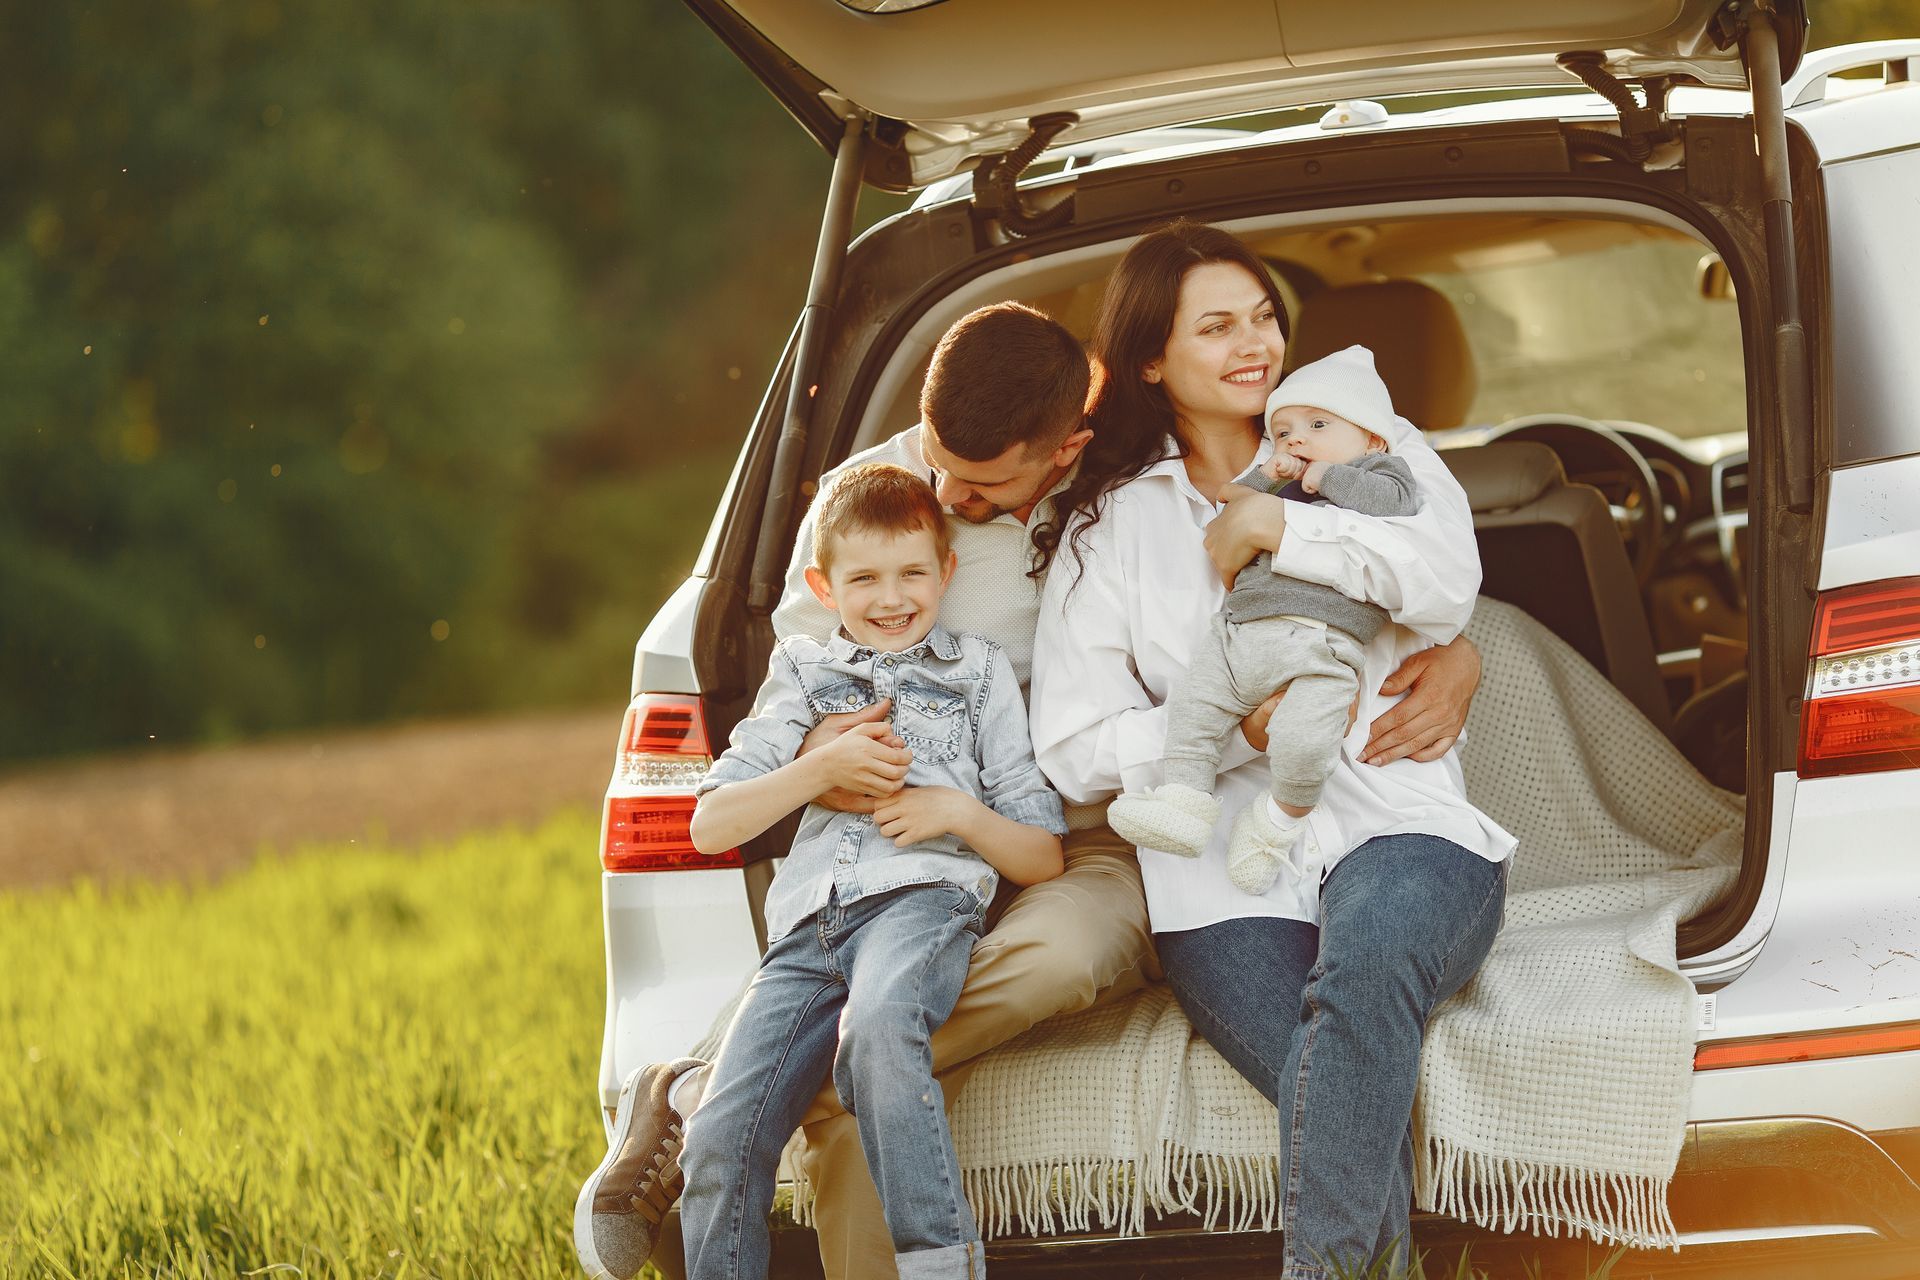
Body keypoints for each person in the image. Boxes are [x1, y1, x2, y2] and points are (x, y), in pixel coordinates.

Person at [574, 300, 1484, 1280]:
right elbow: (802, 683)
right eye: (939, 461)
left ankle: (770, 1084)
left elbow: (1321, 585)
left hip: (1072, 839)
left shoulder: (1129, 502)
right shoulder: (862, 502)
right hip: (905, 831)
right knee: (862, 1054)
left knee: (1065, 955)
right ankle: (779, 1080)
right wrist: (832, 740)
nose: (949, 494)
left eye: (983, 483)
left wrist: (1458, 646)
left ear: (1065, 450)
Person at [1029, 220, 1515, 1279]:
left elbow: (1445, 584)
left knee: (1364, 975)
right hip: (1219, 882)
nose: (1254, 342)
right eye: (1217, 326)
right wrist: (1228, 727)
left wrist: (1280, 529)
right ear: (1152, 359)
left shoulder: (1373, 443)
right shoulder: (1106, 529)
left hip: (1402, 823)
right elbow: (1070, 747)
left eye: (1262, 316)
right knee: (1332, 1071)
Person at [668, 462, 1066, 1280]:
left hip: (921, 903)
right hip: (807, 931)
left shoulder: (978, 671)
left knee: (881, 1029)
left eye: (913, 572)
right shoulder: (803, 673)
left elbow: (1043, 851)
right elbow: (712, 823)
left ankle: (939, 1264)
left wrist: (956, 814)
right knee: (716, 1135)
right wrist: (822, 766)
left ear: (946, 572)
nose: (893, 598)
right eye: (865, 578)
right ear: (824, 583)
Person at [1107, 344, 1423, 896]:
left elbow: (1394, 502)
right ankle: (1183, 801)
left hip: (1319, 647)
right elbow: (1231, 502)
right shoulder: (1280, 476)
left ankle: (1277, 822)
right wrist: (1266, 476)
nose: (1296, 439)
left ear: (1371, 437)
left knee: (1306, 739)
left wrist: (1322, 476)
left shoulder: (1379, 470)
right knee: (1193, 710)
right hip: (1238, 637)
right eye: (1282, 431)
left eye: (1317, 424)